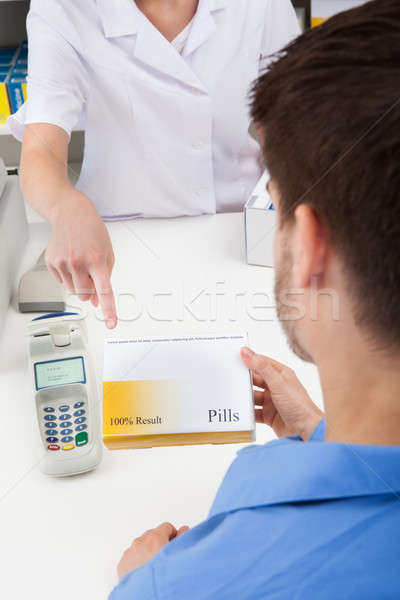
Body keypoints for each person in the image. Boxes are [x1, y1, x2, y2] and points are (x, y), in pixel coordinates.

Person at [109, 0, 400, 598]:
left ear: (312, 247)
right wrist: (325, 435)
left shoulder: (185, 585)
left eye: (275, 201)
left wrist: (146, 582)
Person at [9, 0, 299, 329]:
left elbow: (286, 118)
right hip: (121, 243)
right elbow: (40, 148)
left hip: (240, 234)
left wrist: (291, 183)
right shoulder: (65, 6)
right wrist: (64, 205)